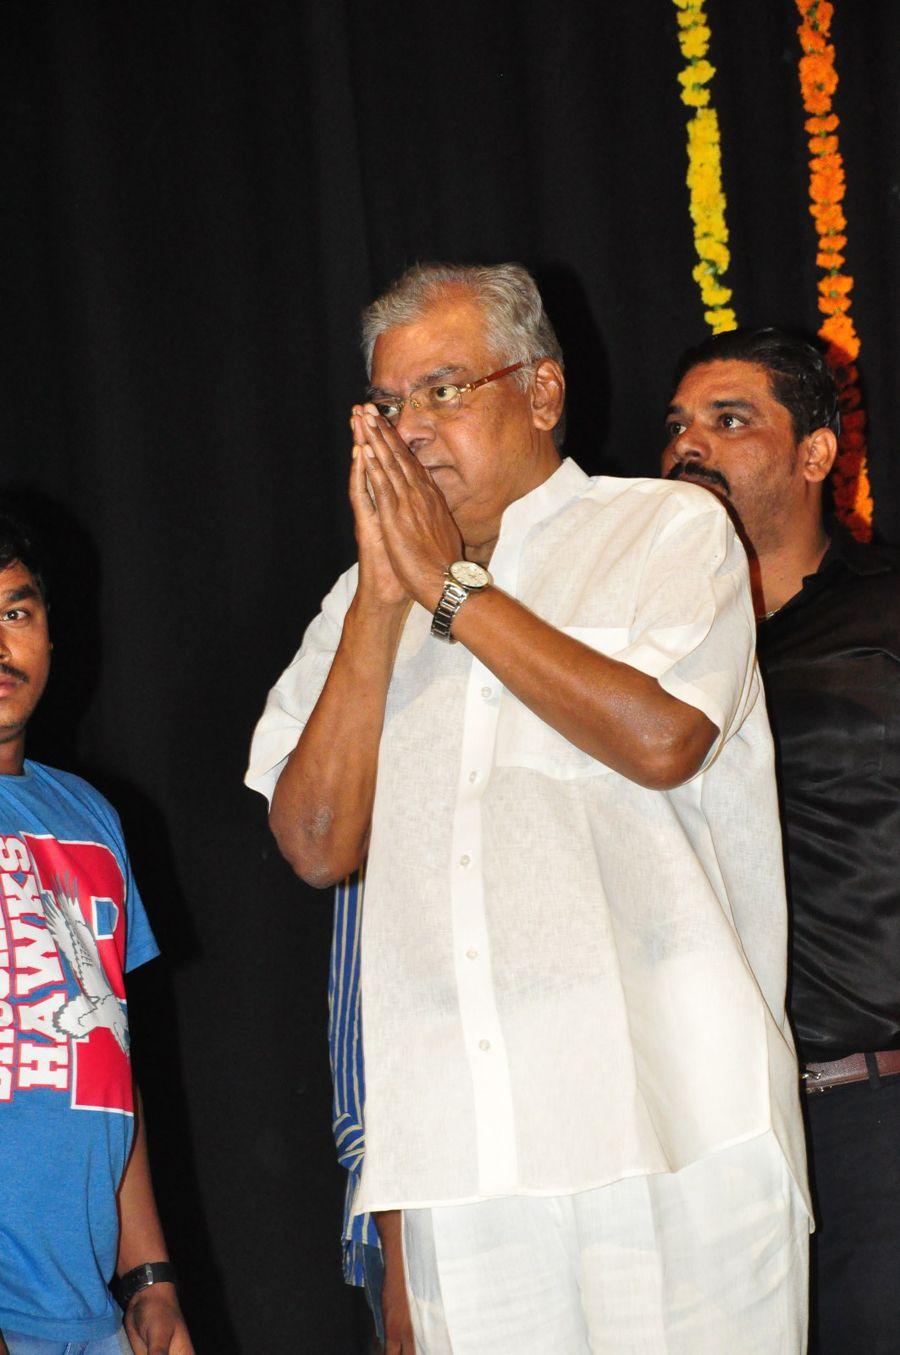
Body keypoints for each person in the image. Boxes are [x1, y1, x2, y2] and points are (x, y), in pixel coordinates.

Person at [246, 262, 810, 1354]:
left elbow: (662, 739)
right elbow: (315, 844)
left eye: (444, 390)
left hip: (677, 1132)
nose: (409, 429)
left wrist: (454, 590)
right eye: (388, 404)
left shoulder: (662, 531)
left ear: (542, 393)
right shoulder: (355, 599)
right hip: (464, 1166)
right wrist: (382, 593)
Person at [662, 326, 900, 1355]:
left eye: (729, 420)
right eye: (675, 425)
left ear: (815, 455)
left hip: (868, 1114)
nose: (688, 446)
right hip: (699, 1131)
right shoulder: (632, 649)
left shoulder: (886, 613)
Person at [0, 505, 194, 1355]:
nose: (0, 642)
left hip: (92, 1313)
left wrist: (149, 1281)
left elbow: (110, 1066)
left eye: (16, 611)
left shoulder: (92, 819)